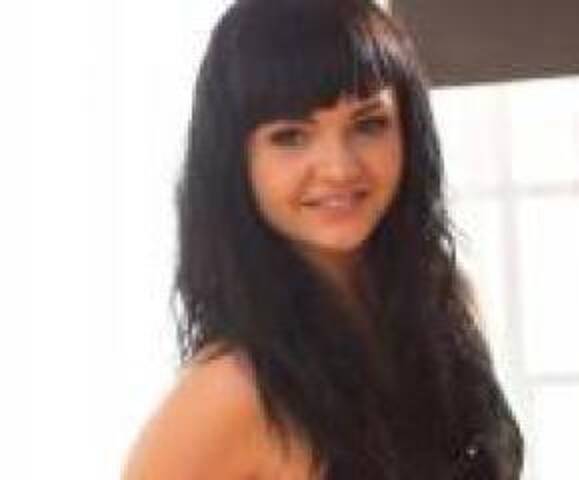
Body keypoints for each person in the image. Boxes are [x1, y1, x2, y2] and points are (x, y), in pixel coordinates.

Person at [122, 0, 524, 478]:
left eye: (369, 125)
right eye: (291, 136)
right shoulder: (229, 391)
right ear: (235, 161)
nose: (339, 168)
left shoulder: (448, 302)